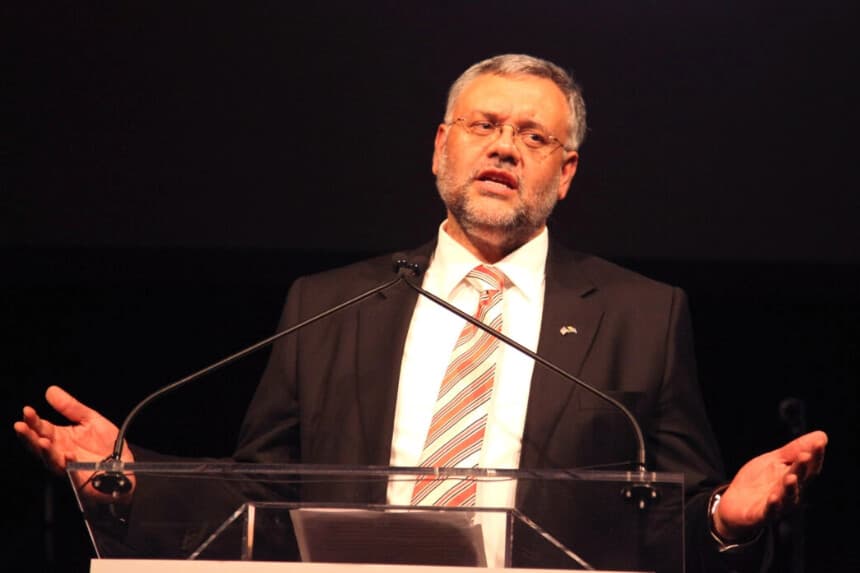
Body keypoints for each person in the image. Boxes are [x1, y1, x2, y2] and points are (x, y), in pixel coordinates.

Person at [15, 54, 827, 571]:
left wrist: (726, 515)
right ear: (442, 147)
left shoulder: (641, 315)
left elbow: (669, 508)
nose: (503, 146)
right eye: (485, 125)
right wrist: (134, 477)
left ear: (566, 172)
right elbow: (260, 489)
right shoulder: (329, 303)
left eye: (532, 136)